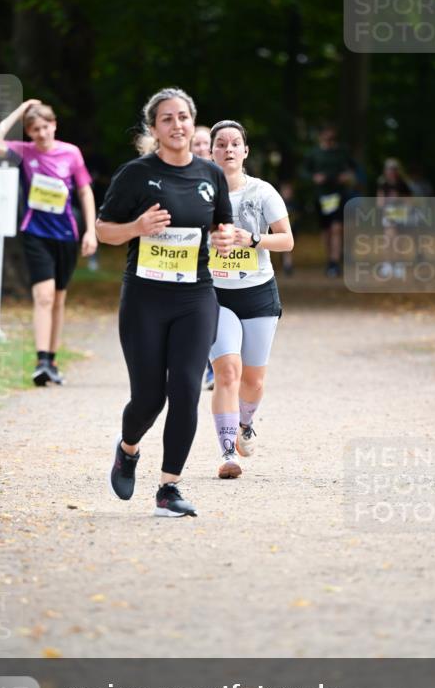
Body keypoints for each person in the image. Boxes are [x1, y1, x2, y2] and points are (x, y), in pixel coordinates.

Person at [96, 88, 234, 517]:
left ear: (193, 123)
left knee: (187, 389)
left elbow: (222, 229)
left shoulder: (210, 175)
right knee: (149, 398)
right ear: (154, 129)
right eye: (167, 119)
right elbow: (104, 231)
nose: (177, 125)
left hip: (196, 296)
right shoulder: (136, 174)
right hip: (145, 299)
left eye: (183, 118)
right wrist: (137, 226)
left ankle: (169, 488)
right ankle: (128, 449)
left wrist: (225, 239)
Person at [0, 99, 97, 385]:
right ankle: (41, 361)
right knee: (44, 296)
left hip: (67, 235)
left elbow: (84, 192)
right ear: (29, 132)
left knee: (58, 298)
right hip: (36, 233)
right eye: (34, 129)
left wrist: (90, 231)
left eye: (45, 127)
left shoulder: (71, 153)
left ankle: (52, 359)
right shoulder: (24, 152)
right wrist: (20, 111)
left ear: (54, 125)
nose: (42, 133)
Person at [208, 120, 293, 479]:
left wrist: (254, 240)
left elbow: (287, 240)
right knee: (227, 372)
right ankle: (228, 451)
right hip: (214, 295)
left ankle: (246, 424)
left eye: (235, 144)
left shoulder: (263, 192)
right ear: (211, 152)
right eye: (221, 144)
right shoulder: (201, 192)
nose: (228, 149)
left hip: (258, 293)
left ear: (245, 152)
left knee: (253, 380)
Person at [302, 123, 355, 277]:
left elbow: (353, 168)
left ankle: (334, 261)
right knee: (326, 230)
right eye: (326, 133)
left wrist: (347, 175)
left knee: (337, 228)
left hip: (339, 194)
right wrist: (314, 177)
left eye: (332, 133)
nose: (329, 136)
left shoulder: (342, 151)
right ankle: (330, 259)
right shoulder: (314, 153)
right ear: (321, 135)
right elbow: (303, 171)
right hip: (322, 196)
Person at [190, 125, 216, 390]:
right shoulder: (183, 177)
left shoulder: (223, 177)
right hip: (192, 256)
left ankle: (218, 366)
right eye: (195, 144)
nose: (201, 149)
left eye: (205, 143)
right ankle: (208, 369)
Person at [376, 158, 413, 279]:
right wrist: (387, 202)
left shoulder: (403, 184)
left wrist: (399, 199)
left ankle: (398, 264)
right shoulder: (383, 184)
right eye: (389, 169)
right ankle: (388, 264)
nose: (391, 171)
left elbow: (409, 202)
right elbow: (379, 202)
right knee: (389, 238)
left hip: (401, 213)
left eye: (393, 169)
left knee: (398, 239)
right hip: (388, 213)